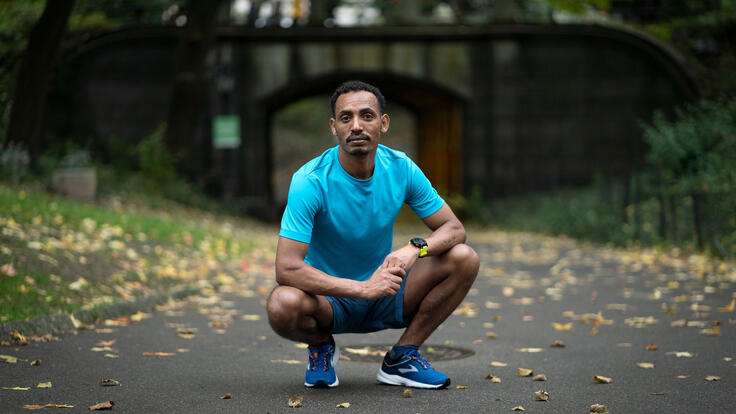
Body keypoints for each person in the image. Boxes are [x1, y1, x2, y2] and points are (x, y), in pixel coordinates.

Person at [267, 80, 479, 389]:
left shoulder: (401, 168)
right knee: (281, 304)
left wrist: (414, 249)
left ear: (383, 123)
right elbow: (286, 268)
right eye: (345, 117)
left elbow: (454, 229)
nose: (356, 126)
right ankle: (320, 346)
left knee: (464, 258)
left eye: (366, 115)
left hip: (388, 290)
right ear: (333, 127)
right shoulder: (309, 180)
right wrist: (363, 288)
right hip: (329, 299)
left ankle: (403, 357)